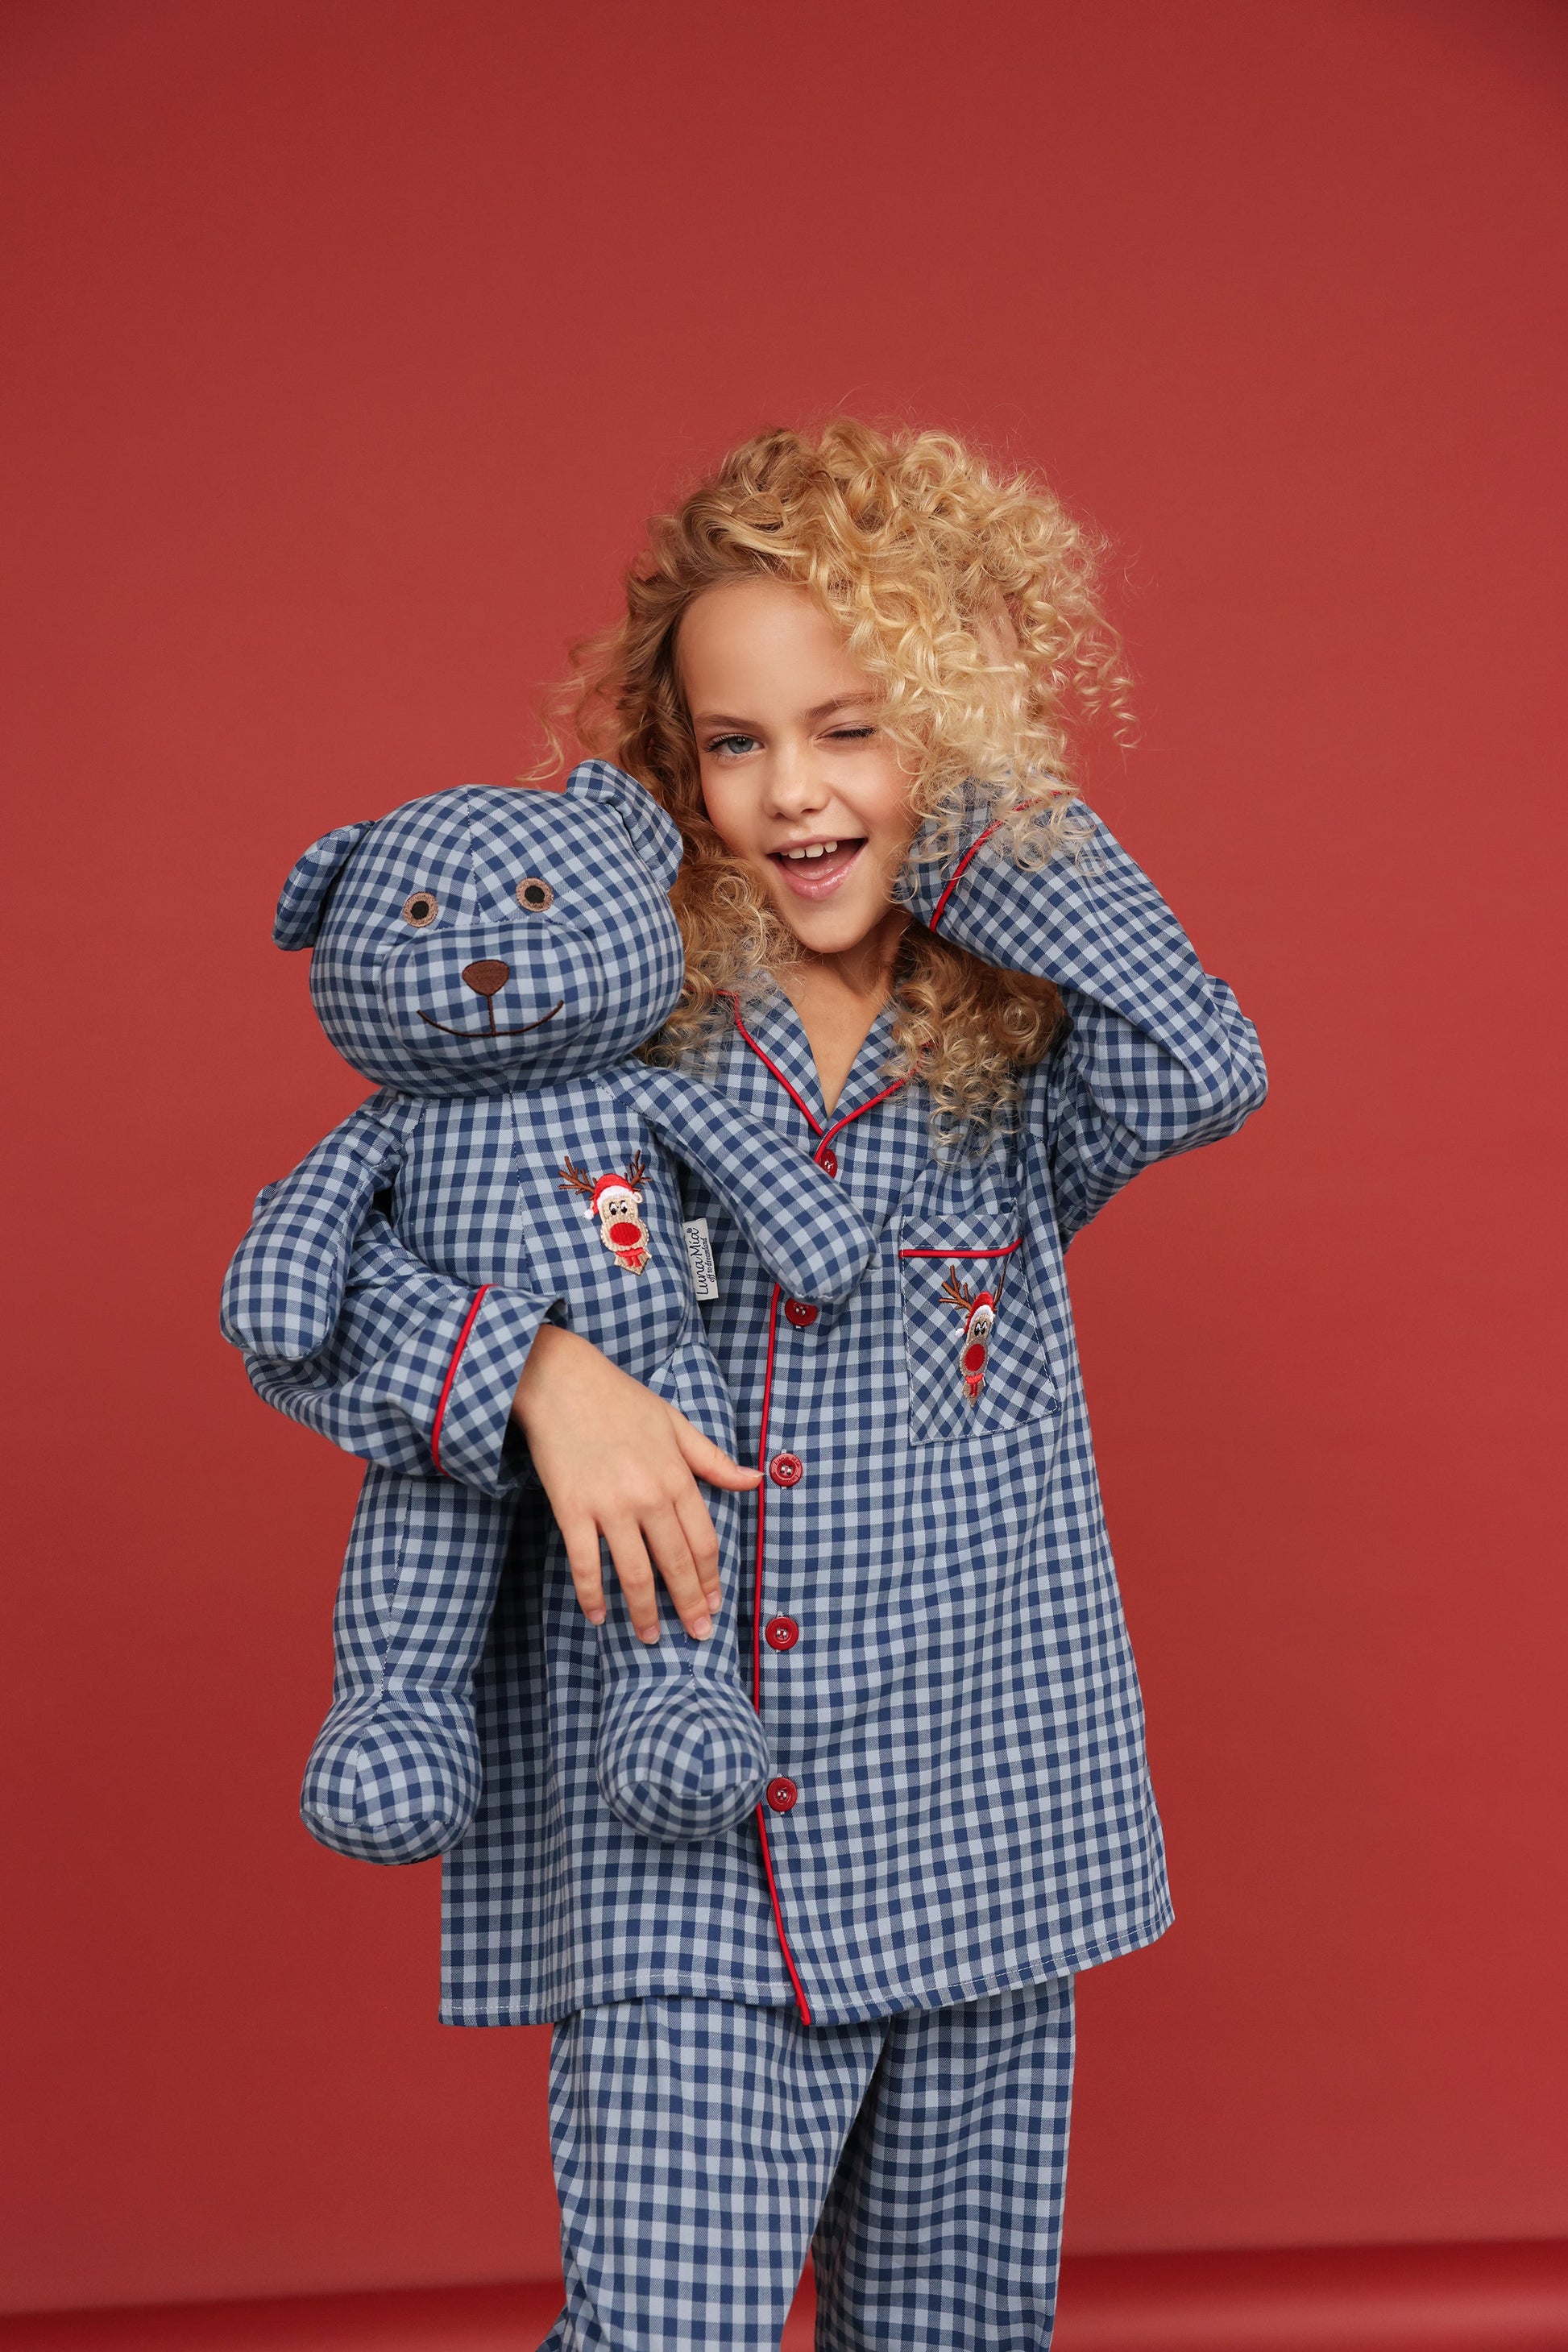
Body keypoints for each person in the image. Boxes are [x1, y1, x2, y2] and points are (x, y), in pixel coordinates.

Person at [240, 420, 1267, 2351]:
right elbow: (316, 1293)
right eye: (733, 742)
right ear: (672, 761)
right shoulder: (597, 1016)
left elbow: (1205, 1062)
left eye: (853, 728)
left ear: (948, 735)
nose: (791, 789)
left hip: (983, 1812)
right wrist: (534, 1374)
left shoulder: (1014, 1066)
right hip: (681, 1819)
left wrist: (980, 812)